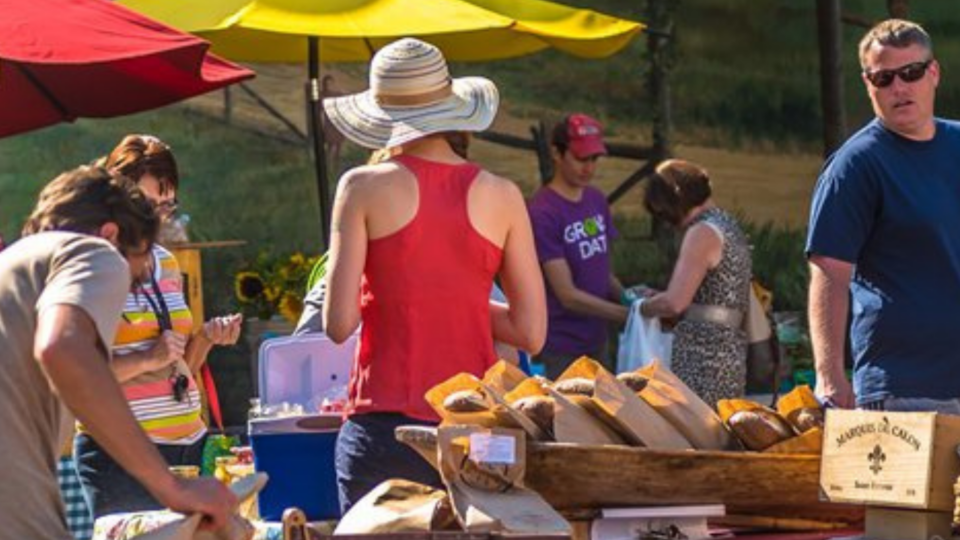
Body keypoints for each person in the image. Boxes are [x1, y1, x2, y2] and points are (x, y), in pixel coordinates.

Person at [321, 37, 546, 512]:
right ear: (453, 110)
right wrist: (455, 300)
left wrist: (408, 295)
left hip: (383, 429)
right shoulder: (502, 194)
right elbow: (531, 333)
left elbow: (337, 323)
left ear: (382, 116)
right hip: (475, 430)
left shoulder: (360, 186)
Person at [0, 166, 235, 539]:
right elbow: (61, 347)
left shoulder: (18, 263)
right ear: (111, 233)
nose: (135, 285)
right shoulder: (96, 251)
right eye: (138, 273)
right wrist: (172, 488)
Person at [73, 135, 243, 517]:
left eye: (167, 205)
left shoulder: (166, 262)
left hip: (188, 446)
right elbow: (76, 372)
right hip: (122, 455)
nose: (158, 218)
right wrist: (147, 357)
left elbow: (181, 365)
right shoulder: (92, 264)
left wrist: (205, 339)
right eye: (149, 205)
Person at [806, 19, 960, 412]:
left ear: (934, 73)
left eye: (911, 72)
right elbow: (829, 275)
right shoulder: (855, 166)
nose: (899, 87)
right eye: (884, 78)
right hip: (905, 388)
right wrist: (830, 377)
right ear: (867, 84)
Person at [639, 159, 752, 407]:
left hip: (701, 358)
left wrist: (641, 307)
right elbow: (710, 296)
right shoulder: (728, 224)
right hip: (730, 352)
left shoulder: (701, 232)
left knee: (696, 435)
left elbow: (675, 303)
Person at [527, 114, 628, 378]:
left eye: (594, 159)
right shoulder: (544, 212)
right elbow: (567, 295)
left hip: (597, 340)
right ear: (557, 154)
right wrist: (625, 314)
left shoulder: (596, 200)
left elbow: (601, 271)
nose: (589, 168)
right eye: (581, 158)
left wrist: (630, 298)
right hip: (560, 346)